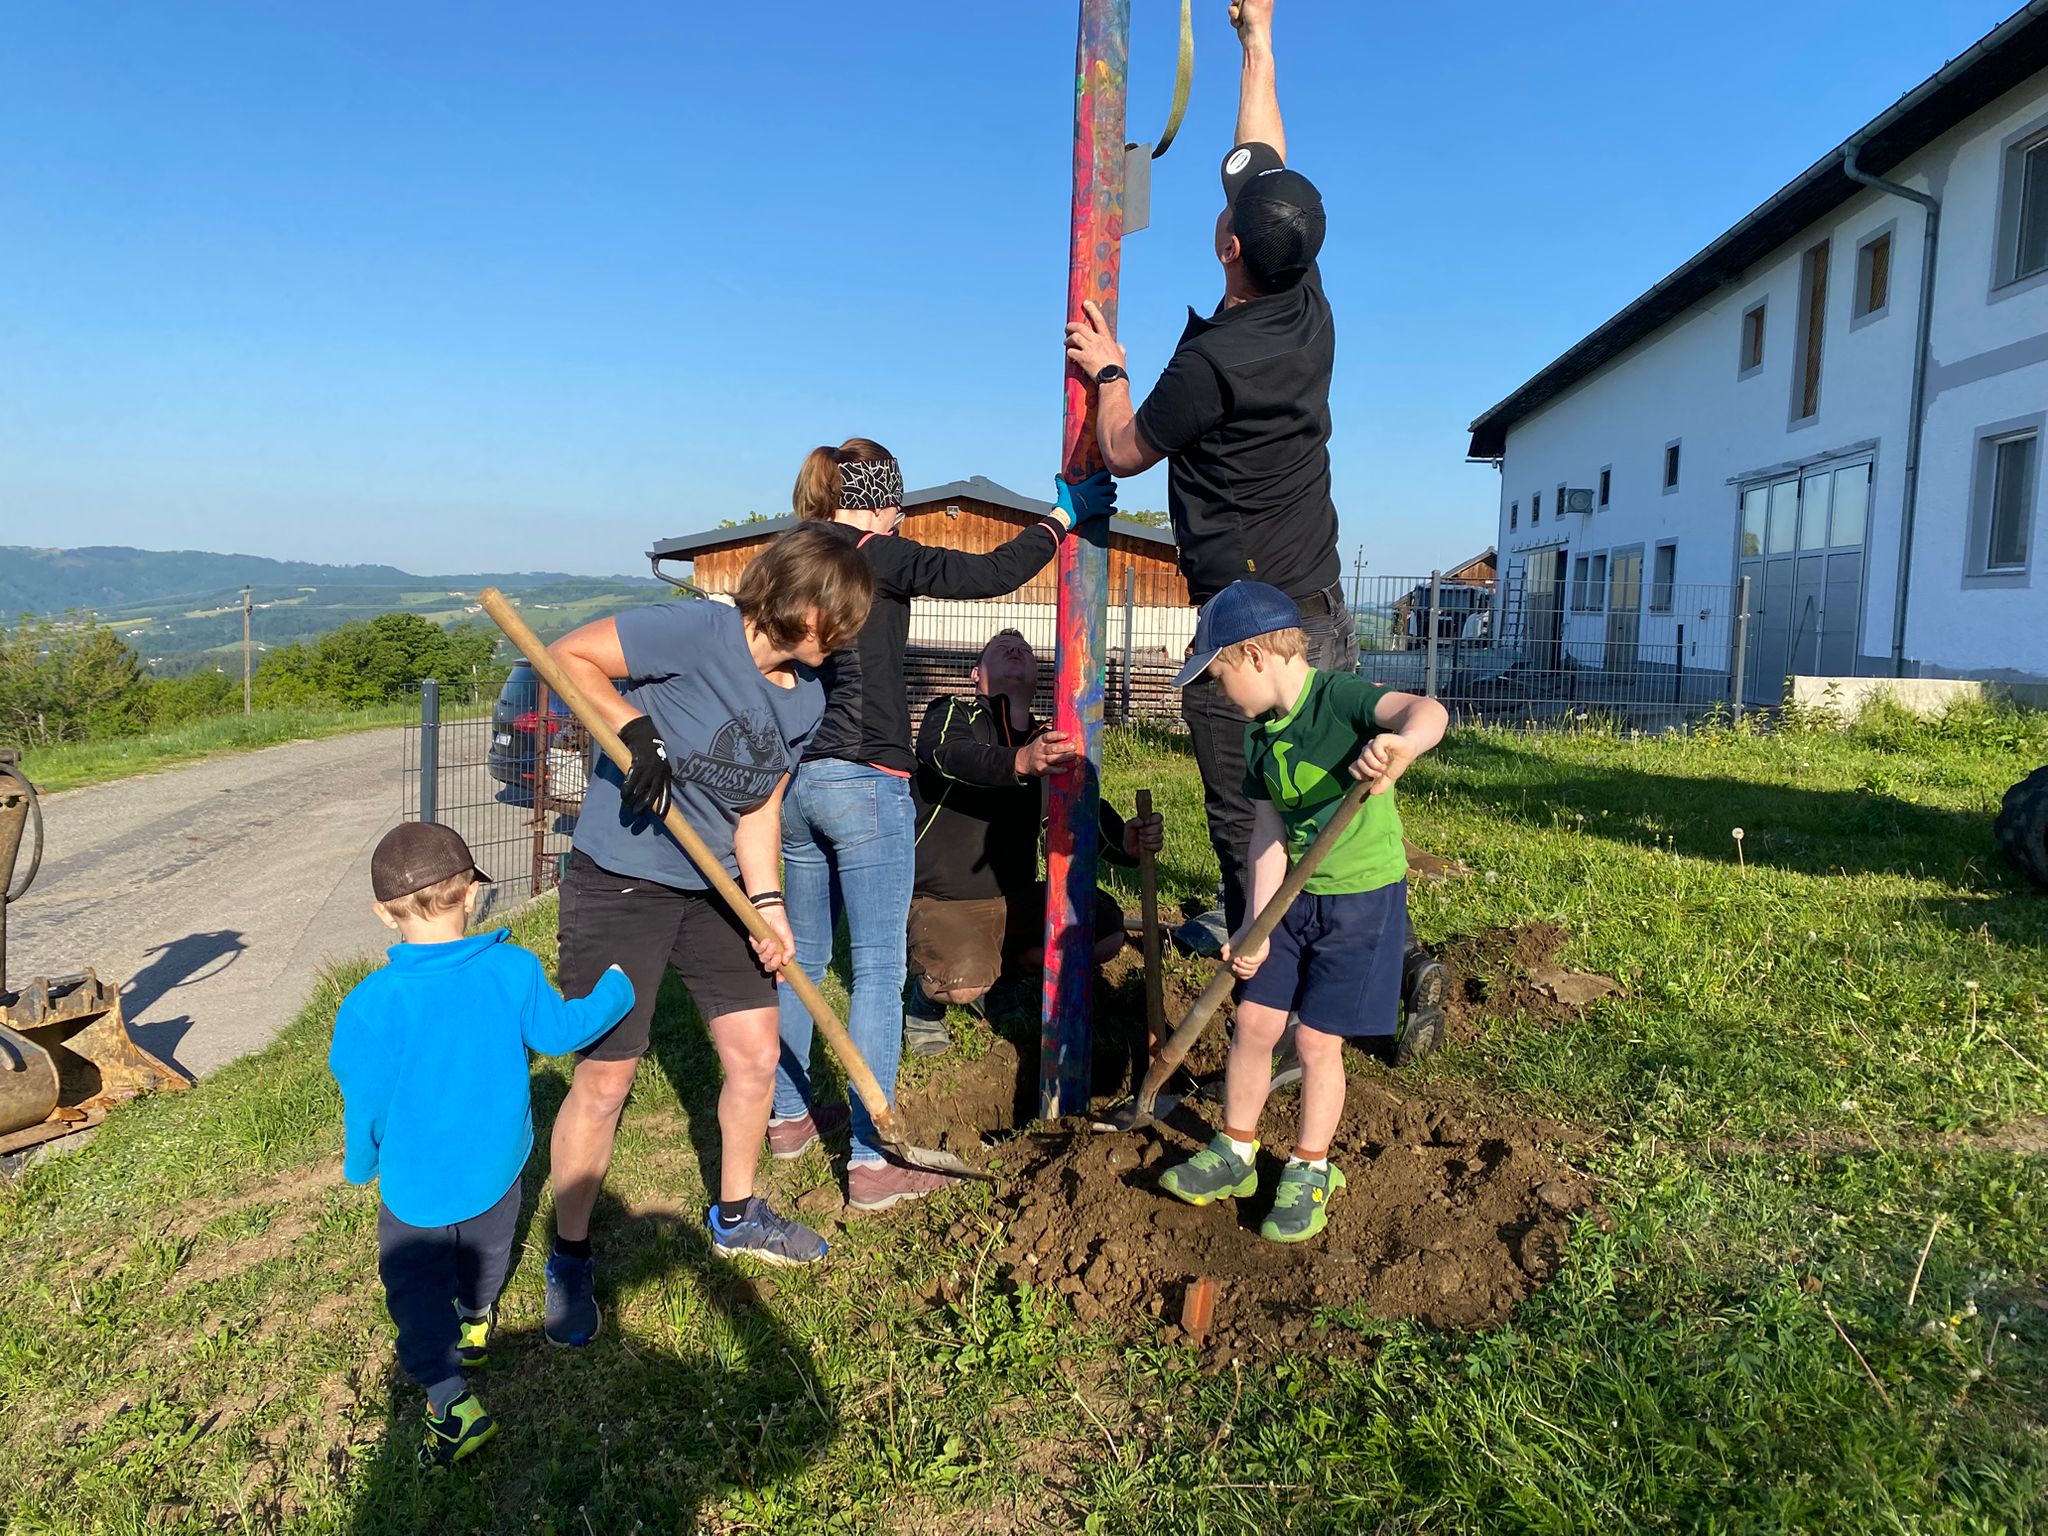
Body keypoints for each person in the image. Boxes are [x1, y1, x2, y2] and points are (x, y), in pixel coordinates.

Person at [1063, 0, 1447, 1019]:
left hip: (1246, 626)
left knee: (1251, 816)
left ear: (1229, 246)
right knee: (1342, 793)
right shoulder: (1303, 294)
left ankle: (1270, 992)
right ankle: (1388, 968)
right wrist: (1256, 39)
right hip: (1316, 600)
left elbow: (1121, 450)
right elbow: (1262, 155)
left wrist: (1109, 371)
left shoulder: (1211, 364)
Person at [541, 524, 873, 1343]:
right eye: (836, 619)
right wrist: (633, 728)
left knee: (756, 1057)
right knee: (606, 1081)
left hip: (716, 887)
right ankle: (569, 1254)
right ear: (798, 602)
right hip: (622, 879)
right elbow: (565, 656)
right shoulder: (696, 631)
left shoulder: (806, 697)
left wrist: (768, 905)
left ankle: (736, 1213)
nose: (841, 638)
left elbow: (757, 807)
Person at [771, 440, 1116, 1211]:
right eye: (899, 506)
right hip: (865, 778)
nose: (902, 519)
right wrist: (1061, 518)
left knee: (804, 956)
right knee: (876, 970)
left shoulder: (794, 555)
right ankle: (873, 1163)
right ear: (881, 501)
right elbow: (986, 575)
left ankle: (788, 1119)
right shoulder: (872, 553)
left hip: (799, 782)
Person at [328, 822, 635, 1466]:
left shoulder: (367, 1007)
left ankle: (449, 1402)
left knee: (415, 1289)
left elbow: (366, 1098)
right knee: (490, 1250)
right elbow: (560, 1034)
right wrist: (616, 990)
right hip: (499, 1169)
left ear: (383, 913)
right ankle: (475, 1317)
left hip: (417, 1188)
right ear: (471, 895)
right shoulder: (513, 968)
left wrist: (362, 1161)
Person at [1155, 582, 1447, 1242]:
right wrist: (1254, 928)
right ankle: (1236, 1150)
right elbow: (1267, 836)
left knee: (1316, 1041)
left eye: (1219, 675)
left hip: (1362, 901)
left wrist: (1401, 747)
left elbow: (1427, 710)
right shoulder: (1260, 739)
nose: (1218, 691)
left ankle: (1312, 1167)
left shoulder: (1338, 699)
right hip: (1293, 900)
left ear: (1255, 656)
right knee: (1255, 1022)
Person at [903, 628, 1165, 1053]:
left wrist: (1125, 842)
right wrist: (1020, 762)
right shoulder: (953, 713)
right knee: (963, 982)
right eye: (1001, 647)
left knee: (1105, 930)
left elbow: (1084, 812)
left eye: (1024, 649)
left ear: (1038, 676)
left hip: (1015, 901)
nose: (1015, 647)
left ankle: (1004, 981)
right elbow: (944, 754)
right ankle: (925, 1004)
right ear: (975, 674)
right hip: (941, 901)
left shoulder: (1049, 742)